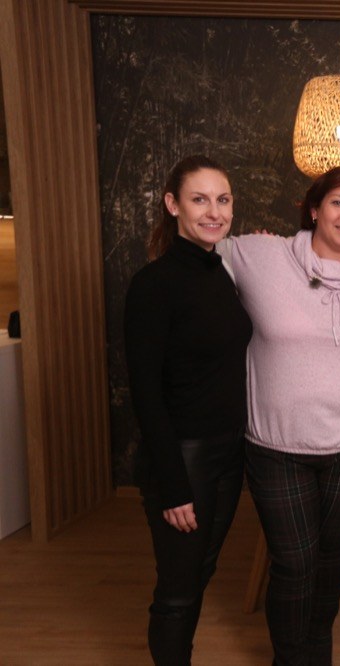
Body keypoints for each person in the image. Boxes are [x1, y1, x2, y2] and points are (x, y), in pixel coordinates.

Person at [217, 165, 340, 664]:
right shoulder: (259, 255)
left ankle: (319, 651)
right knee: (295, 563)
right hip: (276, 445)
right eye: (338, 202)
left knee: (331, 556)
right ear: (314, 209)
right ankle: (291, 658)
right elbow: (194, 257)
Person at [124, 155, 252, 665]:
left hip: (228, 453)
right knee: (177, 590)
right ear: (173, 204)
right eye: (200, 200)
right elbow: (145, 393)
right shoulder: (154, 285)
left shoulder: (220, 272)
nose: (214, 212)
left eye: (223, 200)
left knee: (199, 573)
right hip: (184, 459)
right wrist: (174, 485)